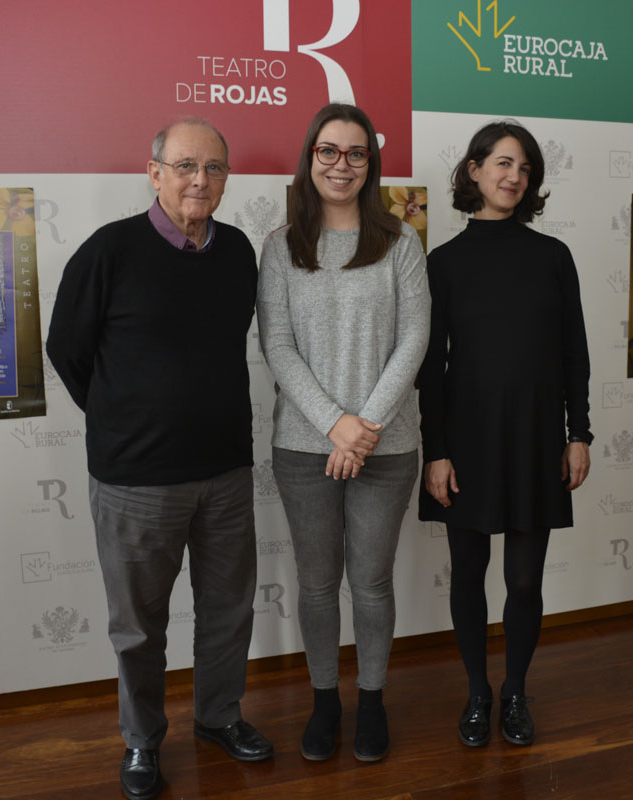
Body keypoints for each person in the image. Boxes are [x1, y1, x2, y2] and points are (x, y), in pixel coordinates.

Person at [46, 118, 271, 800]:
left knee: (228, 610)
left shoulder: (237, 252)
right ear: (154, 173)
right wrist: (124, 418)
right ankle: (142, 743)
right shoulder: (108, 251)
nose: (199, 180)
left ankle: (218, 717)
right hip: (136, 479)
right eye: (184, 166)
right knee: (139, 627)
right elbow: (67, 350)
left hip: (226, 470)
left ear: (226, 178)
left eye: (213, 168)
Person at [256, 103, 430, 763]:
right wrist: (336, 425)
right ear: (310, 159)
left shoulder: (401, 241)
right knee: (319, 581)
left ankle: (373, 700)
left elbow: (415, 337)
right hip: (305, 448)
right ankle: (325, 699)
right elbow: (277, 343)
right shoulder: (280, 247)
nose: (341, 164)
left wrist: (364, 430)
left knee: (373, 581)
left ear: (371, 164)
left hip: (388, 446)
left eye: (356, 153)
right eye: (328, 151)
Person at [417, 120, 592, 749]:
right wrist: (435, 452)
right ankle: (476, 693)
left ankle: (515, 692)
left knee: (524, 581)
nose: (513, 176)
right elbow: (429, 369)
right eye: (501, 163)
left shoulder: (553, 257)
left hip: (537, 439)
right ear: (474, 171)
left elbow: (575, 352)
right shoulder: (444, 262)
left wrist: (580, 432)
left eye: (523, 168)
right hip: (465, 443)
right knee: (468, 576)